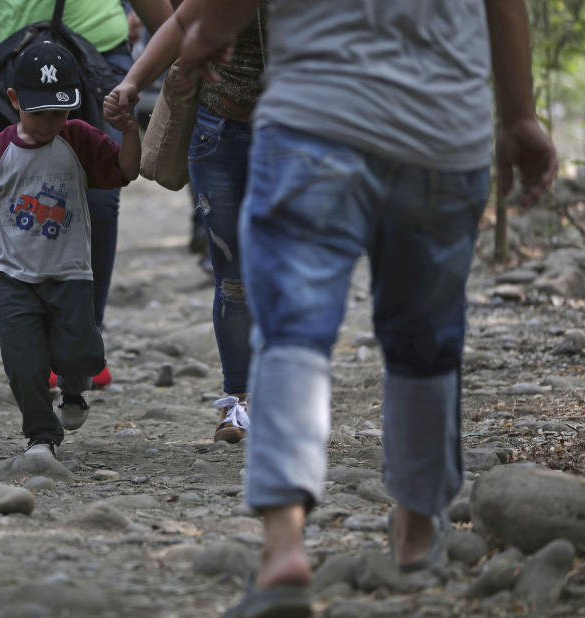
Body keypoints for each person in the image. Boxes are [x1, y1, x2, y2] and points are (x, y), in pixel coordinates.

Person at [177, 1, 557, 616]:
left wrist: (205, 34)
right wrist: (518, 115)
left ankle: (283, 549)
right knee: (425, 337)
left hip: (313, 117)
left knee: (292, 330)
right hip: (440, 127)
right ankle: (415, 529)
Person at [0, 0, 172, 390]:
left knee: (101, 200)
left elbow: (124, 171)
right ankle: (35, 330)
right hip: (17, 55)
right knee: (19, 188)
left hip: (101, 59)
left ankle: (82, 337)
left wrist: (183, 51)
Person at [0, 41, 140, 456]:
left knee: (81, 353)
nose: (49, 125)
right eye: (39, 114)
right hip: (13, 279)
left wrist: (130, 130)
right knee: (24, 365)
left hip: (72, 276)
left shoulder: (78, 139)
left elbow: (126, 171)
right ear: (14, 100)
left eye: (59, 114)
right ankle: (42, 435)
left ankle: (75, 386)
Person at [105, 0, 266, 443]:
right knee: (232, 278)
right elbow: (182, 21)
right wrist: (132, 82)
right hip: (221, 129)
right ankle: (240, 400)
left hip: (296, 132)